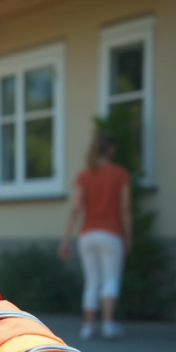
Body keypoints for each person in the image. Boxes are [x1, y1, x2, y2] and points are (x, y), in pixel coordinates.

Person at [59, 132, 132, 340]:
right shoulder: (120, 174)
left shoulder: (84, 175)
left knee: (92, 280)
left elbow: (75, 209)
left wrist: (65, 240)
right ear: (110, 149)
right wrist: (128, 237)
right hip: (111, 233)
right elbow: (125, 209)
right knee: (110, 279)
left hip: (87, 234)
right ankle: (108, 323)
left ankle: (88, 326)